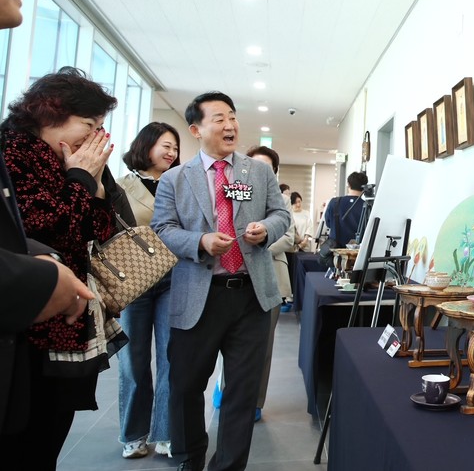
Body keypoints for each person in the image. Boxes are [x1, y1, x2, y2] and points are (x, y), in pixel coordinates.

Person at [151, 91, 290, 471]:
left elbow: (281, 214)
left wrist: (267, 229)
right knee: (185, 386)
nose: (230, 125)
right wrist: (200, 241)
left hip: (251, 297)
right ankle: (188, 459)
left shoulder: (258, 172)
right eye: (219, 119)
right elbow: (162, 229)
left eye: (232, 116)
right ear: (196, 129)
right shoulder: (175, 179)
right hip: (198, 296)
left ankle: (228, 466)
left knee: (241, 392)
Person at [0, 65, 129, 469]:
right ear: (50, 113)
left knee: (51, 432)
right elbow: (46, 229)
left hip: (70, 318)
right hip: (29, 324)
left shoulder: (74, 161)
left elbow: (100, 230)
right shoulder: (14, 153)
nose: (95, 138)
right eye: (89, 125)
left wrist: (94, 187)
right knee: (24, 439)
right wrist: (80, 181)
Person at [115, 122, 181, 459]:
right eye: (165, 146)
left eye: (175, 148)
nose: (171, 153)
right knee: (133, 360)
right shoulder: (119, 186)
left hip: (173, 278)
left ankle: (166, 432)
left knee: (171, 356)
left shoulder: (179, 184)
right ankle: (134, 433)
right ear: (146, 145)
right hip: (133, 280)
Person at [245, 145, 295, 419]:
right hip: (235, 276)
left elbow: (288, 238)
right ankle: (227, 389)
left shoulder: (281, 200)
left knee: (263, 344)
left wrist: (258, 245)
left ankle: (255, 401)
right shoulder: (235, 191)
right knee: (230, 341)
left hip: (271, 275)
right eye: (254, 165)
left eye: (267, 168)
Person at [324, 171, 368, 247]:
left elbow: (328, 224)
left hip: (335, 249)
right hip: (358, 250)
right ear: (364, 187)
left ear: (349, 185)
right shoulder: (367, 206)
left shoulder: (334, 202)